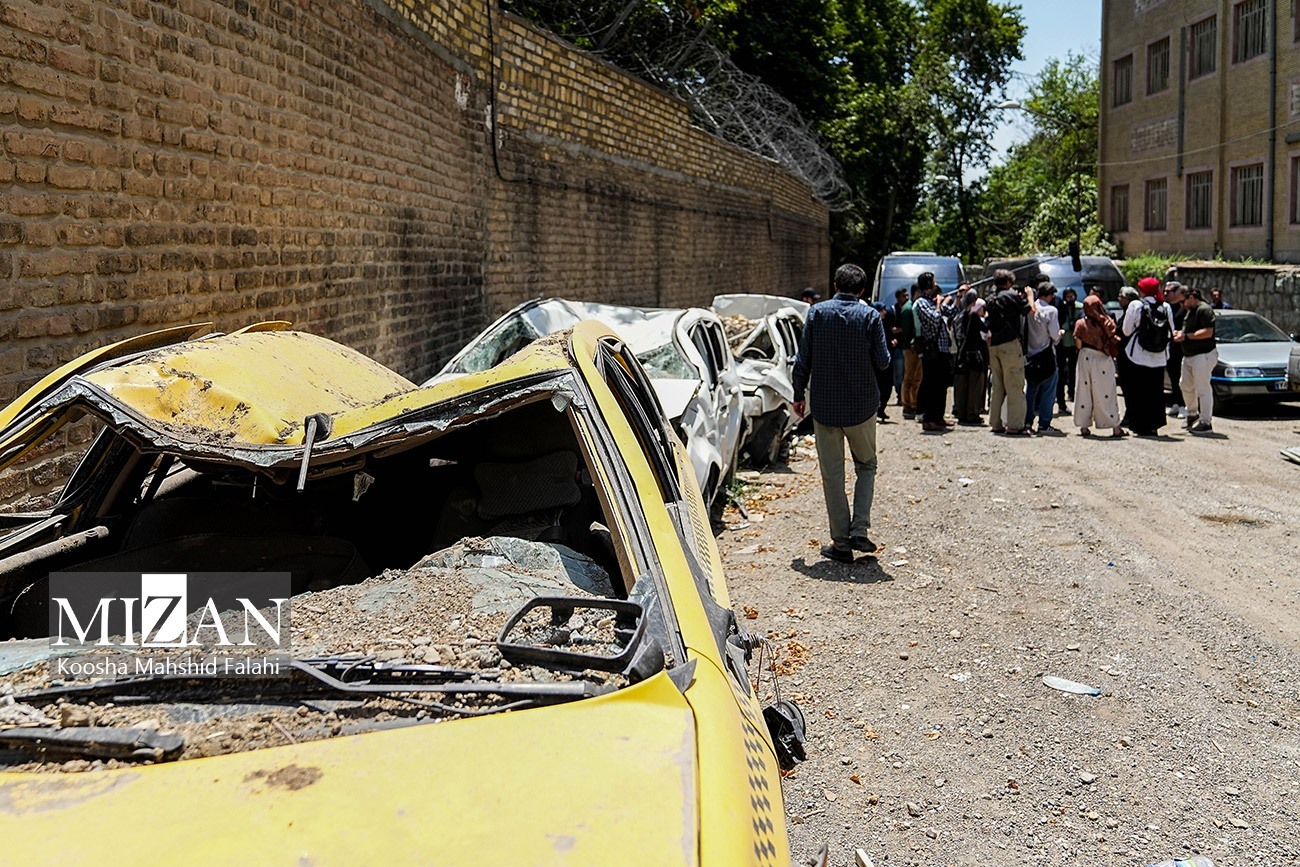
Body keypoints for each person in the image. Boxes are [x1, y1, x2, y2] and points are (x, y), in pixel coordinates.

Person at [791, 263, 892, 562]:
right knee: (866, 465)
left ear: (835, 285)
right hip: (862, 407)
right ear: (861, 290)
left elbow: (803, 359)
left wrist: (799, 395)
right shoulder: (871, 316)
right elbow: (884, 361)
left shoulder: (817, 313)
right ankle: (859, 528)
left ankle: (841, 543)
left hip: (825, 408)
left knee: (832, 476)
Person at [1120, 277, 1175, 436]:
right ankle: (1154, 424)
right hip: (1159, 357)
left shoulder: (1136, 305)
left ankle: (1139, 425)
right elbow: (1171, 332)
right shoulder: (1165, 307)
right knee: (1156, 392)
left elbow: (1126, 331)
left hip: (1138, 355)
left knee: (1139, 391)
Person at [985, 269, 1034, 435]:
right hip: (1010, 344)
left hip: (994, 345)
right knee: (1014, 384)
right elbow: (1030, 310)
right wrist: (1029, 295)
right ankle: (1015, 425)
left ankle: (995, 422)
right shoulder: (1011, 296)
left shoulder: (990, 298)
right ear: (1008, 282)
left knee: (997, 386)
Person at [912, 272, 960, 432]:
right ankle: (929, 419)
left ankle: (938, 417)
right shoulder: (921, 303)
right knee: (933, 385)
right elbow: (934, 319)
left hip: (943, 349)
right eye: (934, 281)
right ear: (929, 284)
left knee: (942, 386)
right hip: (932, 351)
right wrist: (939, 304)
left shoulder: (932, 301)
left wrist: (959, 297)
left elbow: (952, 312)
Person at [1072, 294, 1125, 437]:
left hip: (1086, 357)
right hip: (1103, 359)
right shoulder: (1108, 322)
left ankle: (1084, 426)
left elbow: (1078, 344)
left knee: (1084, 390)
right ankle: (1115, 426)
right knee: (1106, 392)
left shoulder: (1080, 324)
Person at [1175, 287, 1218, 433]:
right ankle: (1192, 414)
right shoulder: (1191, 311)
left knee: (1203, 388)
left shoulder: (1204, 309)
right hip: (1189, 355)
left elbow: (1207, 332)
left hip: (1203, 354)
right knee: (1185, 385)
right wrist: (1181, 334)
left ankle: (1206, 421)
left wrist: (1186, 337)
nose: (1182, 305)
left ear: (1192, 297)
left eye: (1183, 301)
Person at [1023, 282, 1063, 434]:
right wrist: (1060, 334)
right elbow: (1054, 334)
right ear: (1049, 295)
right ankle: (1044, 424)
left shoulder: (1030, 308)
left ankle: (1027, 421)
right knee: (1048, 390)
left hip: (1030, 355)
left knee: (1031, 390)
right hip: (1045, 354)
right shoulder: (1051, 310)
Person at [952, 290, 989, 425]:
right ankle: (972, 414)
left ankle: (961, 412)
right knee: (974, 386)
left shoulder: (958, 317)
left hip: (960, 355)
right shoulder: (973, 316)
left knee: (961, 386)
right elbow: (985, 330)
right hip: (973, 354)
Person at [1054, 288, 1083, 415]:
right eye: (1068, 296)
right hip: (1063, 342)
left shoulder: (1079, 307)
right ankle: (1061, 395)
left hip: (1074, 342)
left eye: (1072, 296)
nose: (1070, 298)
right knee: (1061, 370)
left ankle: (1072, 392)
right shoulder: (1061, 306)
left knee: (1073, 369)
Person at [1163, 282, 1188, 420]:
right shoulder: (1165, 307)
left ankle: (1184, 405)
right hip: (1169, 346)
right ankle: (1176, 403)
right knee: (1172, 375)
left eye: (1169, 291)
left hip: (1180, 347)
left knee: (1180, 377)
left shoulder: (1182, 308)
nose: (1166, 293)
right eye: (1164, 291)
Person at [900, 284, 923, 419]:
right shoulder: (908, 309)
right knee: (910, 377)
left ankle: (913, 403)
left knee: (916, 377)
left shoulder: (912, 307)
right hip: (911, 348)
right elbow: (908, 331)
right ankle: (908, 404)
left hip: (913, 347)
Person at [874, 301, 897, 422]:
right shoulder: (874, 324)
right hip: (879, 363)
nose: (884, 312)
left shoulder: (884, 323)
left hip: (888, 360)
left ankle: (881, 409)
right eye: (881, 310)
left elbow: (890, 336)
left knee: (887, 387)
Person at [890, 288, 907, 402]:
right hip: (898, 347)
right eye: (903, 296)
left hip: (907, 346)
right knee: (898, 374)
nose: (906, 298)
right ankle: (900, 396)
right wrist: (903, 329)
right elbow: (892, 330)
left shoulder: (908, 310)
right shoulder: (893, 311)